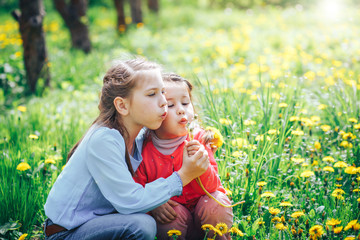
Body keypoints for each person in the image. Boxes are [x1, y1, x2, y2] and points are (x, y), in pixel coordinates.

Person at [43, 59, 210, 240]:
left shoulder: (139, 132)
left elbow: (175, 130)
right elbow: (130, 201)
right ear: (122, 106)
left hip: (106, 221)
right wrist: (184, 175)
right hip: (68, 232)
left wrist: (205, 136)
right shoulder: (104, 139)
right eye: (152, 94)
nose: (163, 101)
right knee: (142, 226)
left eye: (162, 92)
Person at [133, 73, 233, 240]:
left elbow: (213, 186)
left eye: (186, 103)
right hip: (175, 216)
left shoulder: (199, 139)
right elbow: (138, 190)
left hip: (206, 211)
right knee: (169, 215)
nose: (181, 109)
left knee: (216, 202)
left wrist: (202, 164)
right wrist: (153, 205)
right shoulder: (144, 149)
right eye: (170, 105)